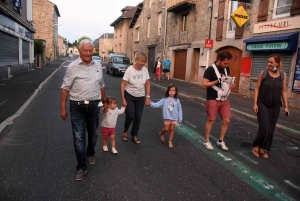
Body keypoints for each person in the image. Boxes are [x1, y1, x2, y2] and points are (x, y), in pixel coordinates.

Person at [60, 39, 107, 181]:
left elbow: (102, 85)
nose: (88, 53)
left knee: (93, 134)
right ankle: (81, 166)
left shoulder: (98, 65)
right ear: (80, 51)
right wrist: (63, 107)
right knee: (79, 137)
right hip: (77, 107)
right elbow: (65, 88)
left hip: (94, 106)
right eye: (85, 50)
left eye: (90, 50)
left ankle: (90, 153)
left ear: (93, 51)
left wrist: (104, 102)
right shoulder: (72, 67)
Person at [252, 54, 289, 159]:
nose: (268, 64)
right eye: (268, 62)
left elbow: (284, 91)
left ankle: (263, 147)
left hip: (275, 105)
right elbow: (257, 88)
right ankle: (256, 145)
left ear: (277, 63)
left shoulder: (283, 75)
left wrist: (286, 106)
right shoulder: (263, 73)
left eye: (271, 62)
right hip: (262, 103)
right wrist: (255, 103)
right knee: (264, 127)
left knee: (271, 129)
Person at [202, 51, 235, 151]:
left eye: (228, 63)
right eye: (225, 63)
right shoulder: (210, 70)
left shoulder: (226, 69)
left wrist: (231, 85)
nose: (226, 65)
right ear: (219, 60)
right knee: (211, 120)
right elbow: (204, 84)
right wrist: (217, 81)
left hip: (224, 99)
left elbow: (226, 81)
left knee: (226, 120)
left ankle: (220, 141)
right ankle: (206, 141)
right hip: (212, 98)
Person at [120, 52, 151, 144]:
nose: (143, 63)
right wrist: (123, 99)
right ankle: (125, 131)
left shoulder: (145, 70)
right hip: (129, 94)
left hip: (140, 96)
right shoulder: (129, 70)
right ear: (136, 60)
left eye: (144, 62)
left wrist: (148, 97)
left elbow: (148, 84)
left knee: (138, 116)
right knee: (130, 114)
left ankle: (134, 135)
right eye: (141, 61)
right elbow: (123, 84)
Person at [150, 84, 183, 148]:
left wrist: (180, 118)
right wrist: (150, 103)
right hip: (167, 117)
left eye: (173, 90)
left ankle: (170, 142)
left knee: (172, 129)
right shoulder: (164, 99)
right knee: (166, 129)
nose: (172, 92)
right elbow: (157, 104)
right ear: (168, 91)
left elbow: (180, 110)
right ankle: (161, 134)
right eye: (170, 90)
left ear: (176, 92)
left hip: (174, 117)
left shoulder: (177, 100)